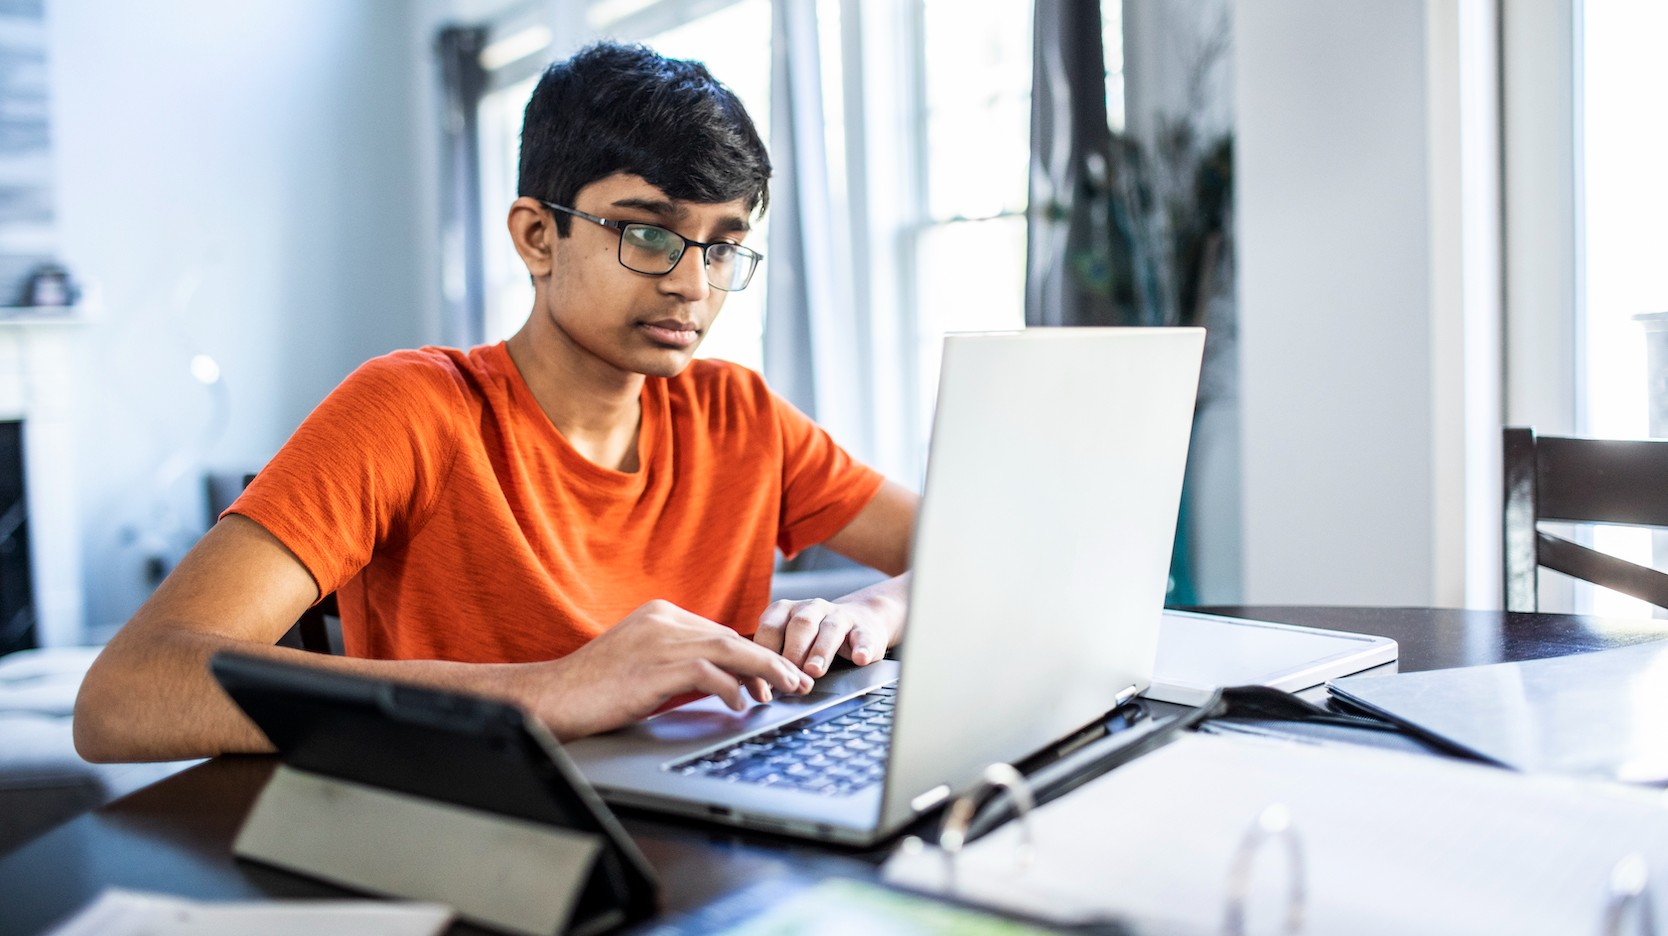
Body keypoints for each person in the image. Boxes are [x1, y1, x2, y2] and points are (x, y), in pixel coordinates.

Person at [74, 42, 917, 764]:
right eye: (648, 233)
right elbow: (128, 692)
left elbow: (985, 556)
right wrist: (552, 690)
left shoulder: (740, 415)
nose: (692, 284)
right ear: (537, 237)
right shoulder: (413, 410)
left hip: (718, 829)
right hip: (485, 835)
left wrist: (872, 609)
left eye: (723, 244)